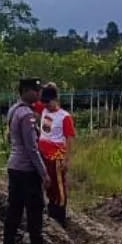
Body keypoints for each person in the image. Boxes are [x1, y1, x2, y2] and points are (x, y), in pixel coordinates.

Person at [3, 77, 59, 244]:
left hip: (14, 166)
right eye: (35, 91)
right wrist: (43, 173)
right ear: (26, 91)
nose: (38, 94)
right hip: (27, 170)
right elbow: (31, 148)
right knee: (35, 211)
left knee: (14, 209)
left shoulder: (13, 110)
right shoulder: (26, 114)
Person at [38, 82, 76, 227]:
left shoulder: (64, 117)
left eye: (48, 102)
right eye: (44, 102)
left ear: (55, 100)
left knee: (58, 185)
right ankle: (51, 206)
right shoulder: (44, 109)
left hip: (57, 157)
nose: (46, 105)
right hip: (43, 155)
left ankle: (59, 213)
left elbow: (69, 138)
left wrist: (67, 159)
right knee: (47, 184)